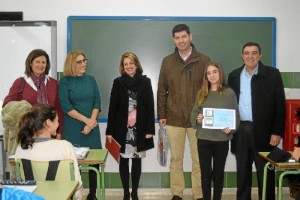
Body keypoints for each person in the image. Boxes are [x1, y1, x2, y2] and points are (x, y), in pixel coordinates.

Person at [157, 23, 210, 200]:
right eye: (177, 38)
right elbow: (161, 90)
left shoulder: (204, 60)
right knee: (176, 160)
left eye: (184, 37)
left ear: (190, 37)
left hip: (199, 120)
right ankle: (177, 194)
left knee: (199, 160)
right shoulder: (167, 61)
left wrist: (207, 114)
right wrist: (162, 115)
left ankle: (199, 194)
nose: (181, 40)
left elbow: (209, 89)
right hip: (174, 119)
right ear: (174, 40)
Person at [227, 42, 286, 200]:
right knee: (243, 174)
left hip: (264, 132)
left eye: (254, 53)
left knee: (265, 172)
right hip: (241, 132)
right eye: (246, 53)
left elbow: (280, 105)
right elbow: (228, 104)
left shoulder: (272, 75)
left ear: (260, 55)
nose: (250, 56)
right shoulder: (233, 76)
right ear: (242, 56)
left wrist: (277, 132)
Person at [106, 52, 155, 200]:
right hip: (122, 130)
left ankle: (134, 193)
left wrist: (150, 130)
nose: (128, 66)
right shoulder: (118, 82)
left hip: (139, 130)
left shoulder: (145, 82)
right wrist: (109, 131)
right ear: (123, 67)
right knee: (124, 161)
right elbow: (112, 108)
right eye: (125, 64)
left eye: (131, 63)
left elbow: (150, 106)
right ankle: (126, 193)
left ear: (136, 64)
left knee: (137, 161)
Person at [191, 61, 240, 200]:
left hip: (221, 141)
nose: (211, 75)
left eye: (215, 72)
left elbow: (236, 116)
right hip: (204, 140)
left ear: (220, 73)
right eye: (208, 73)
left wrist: (230, 128)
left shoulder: (229, 93)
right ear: (205, 76)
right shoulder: (202, 93)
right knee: (205, 175)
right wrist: (198, 119)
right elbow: (194, 115)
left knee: (218, 175)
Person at [14, 103, 84, 200]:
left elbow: (20, 183)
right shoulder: (65, 146)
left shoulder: (21, 148)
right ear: (48, 122)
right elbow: (77, 183)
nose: (58, 124)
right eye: (57, 120)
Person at [58, 50, 101, 200]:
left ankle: (93, 194)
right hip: (73, 129)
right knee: (72, 163)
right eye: (80, 62)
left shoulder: (91, 80)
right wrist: (87, 121)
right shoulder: (64, 82)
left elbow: (97, 102)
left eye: (84, 61)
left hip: (91, 128)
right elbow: (66, 107)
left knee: (94, 162)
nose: (84, 64)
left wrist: (91, 123)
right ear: (71, 63)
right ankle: (73, 194)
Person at [2, 49, 63, 139]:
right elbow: (7, 106)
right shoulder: (20, 82)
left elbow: (59, 110)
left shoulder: (53, 83)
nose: (41, 65)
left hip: (49, 133)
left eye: (43, 62)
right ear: (30, 63)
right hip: (27, 133)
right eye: (37, 62)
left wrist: (59, 132)